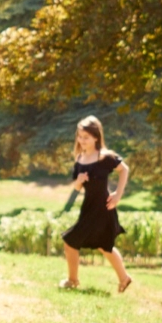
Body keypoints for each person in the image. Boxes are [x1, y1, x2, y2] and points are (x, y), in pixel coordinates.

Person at [60, 116, 134, 293]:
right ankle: (124, 278)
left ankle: (72, 281)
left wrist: (118, 194)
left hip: (103, 207)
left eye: (86, 137)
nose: (82, 140)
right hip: (88, 208)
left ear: (96, 137)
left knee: (71, 242)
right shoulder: (80, 158)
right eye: (80, 136)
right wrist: (79, 181)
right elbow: (77, 188)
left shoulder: (105, 157)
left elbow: (124, 170)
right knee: (104, 245)